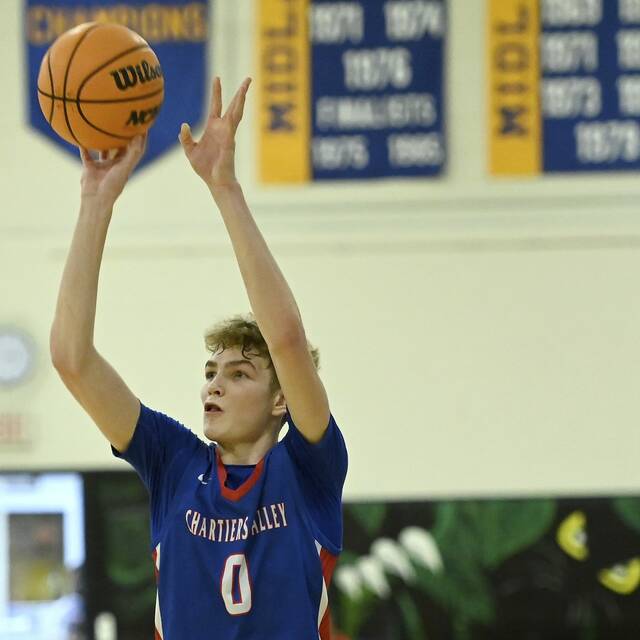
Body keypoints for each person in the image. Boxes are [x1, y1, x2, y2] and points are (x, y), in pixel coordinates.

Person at [50, 76, 348, 639]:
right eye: (211, 372)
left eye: (239, 374)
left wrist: (223, 187)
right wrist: (95, 201)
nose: (214, 386)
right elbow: (72, 359)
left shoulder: (308, 469)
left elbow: (285, 338)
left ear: (281, 397)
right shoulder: (175, 465)